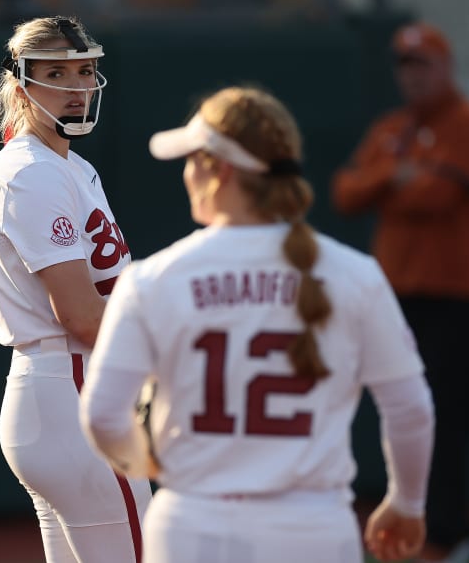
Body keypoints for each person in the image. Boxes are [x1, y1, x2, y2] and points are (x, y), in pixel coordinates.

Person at [79, 86, 435, 563]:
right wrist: (407, 503)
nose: (186, 173)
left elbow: (103, 415)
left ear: (218, 169)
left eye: (192, 159)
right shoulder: (354, 275)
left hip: (192, 525)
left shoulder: (152, 279)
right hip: (312, 529)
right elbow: (411, 408)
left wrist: (137, 458)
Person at [0, 16, 151, 563]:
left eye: (85, 72)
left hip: (60, 397)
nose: (76, 88)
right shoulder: (32, 171)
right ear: (22, 81)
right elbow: (81, 315)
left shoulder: (66, 166)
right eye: (56, 73)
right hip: (71, 387)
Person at [332, 21, 469, 563]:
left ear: (445, 67)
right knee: (392, 407)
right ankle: (431, 524)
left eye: (422, 64)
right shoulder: (390, 128)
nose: (414, 76)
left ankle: (451, 533)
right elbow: (345, 191)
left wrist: (391, 180)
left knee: (442, 416)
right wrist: (394, 176)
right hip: (394, 297)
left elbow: (437, 196)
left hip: (457, 294)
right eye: (405, 66)